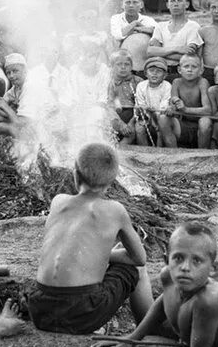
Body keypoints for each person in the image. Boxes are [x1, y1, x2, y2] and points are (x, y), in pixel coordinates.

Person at [27, 142, 152, 333]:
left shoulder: (58, 201)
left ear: (76, 174)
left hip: (40, 309)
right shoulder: (115, 210)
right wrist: (109, 254)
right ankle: (149, 328)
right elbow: (139, 258)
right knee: (137, 270)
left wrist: (103, 254)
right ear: (111, 182)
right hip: (82, 313)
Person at [93, 222, 218, 347]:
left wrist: (183, 345)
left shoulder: (209, 301)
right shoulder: (168, 275)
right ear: (167, 260)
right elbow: (165, 299)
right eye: (178, 258)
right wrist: (133, 338)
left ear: (213, 268)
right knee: (158, 316)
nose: (185, 267)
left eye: (197, 261)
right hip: (195, 305)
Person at [147, 0, 203, 81]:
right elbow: (150, 51)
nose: (176, 4)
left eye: (180, 1)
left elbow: (189, 56)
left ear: (187, 4)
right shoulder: (160, 26)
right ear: (167, 5)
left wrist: (161, 51)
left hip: (183, 75)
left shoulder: (193, 26)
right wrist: (178, 48)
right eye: (172, 1)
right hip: (161, 74)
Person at [159, 52, 211, 149]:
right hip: (182, 126)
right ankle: (174, 154)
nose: (189, 70)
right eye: (186, 66)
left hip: (199, 128)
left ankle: (202, 154)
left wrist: (185, 109)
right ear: (179, 69)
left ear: (201, 70)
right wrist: (171, 108)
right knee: (163, 118)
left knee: (205, 122)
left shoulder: (202, 82)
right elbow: (174, 103)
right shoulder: (176, 82)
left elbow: (207, 110)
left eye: (194, 67)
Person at [109, 0, 157, 77]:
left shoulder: (148, 20)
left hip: (142, 62)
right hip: (121, 61)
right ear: (122, 5)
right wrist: (134, 24)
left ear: (141, 4)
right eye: (127, 2)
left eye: (135, 2)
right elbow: (118, 35)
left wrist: (140, 29)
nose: (131, 5)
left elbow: (158, 33)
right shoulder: (116, 18)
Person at [133, 57, 172, 147]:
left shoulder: (167, 86)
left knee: (160, 127)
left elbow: (164, 107)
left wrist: (155, 121)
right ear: (146, 73)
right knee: (139, 129)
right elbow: (140, 106)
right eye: (151, 70)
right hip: (146, 116)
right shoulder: (141, 86)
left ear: (165, 75)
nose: (154, 74)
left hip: (161, 117)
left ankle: (159, 151)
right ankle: (144, 153)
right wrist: (148, 115)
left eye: (159, 71)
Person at [107, 49, 142, 146]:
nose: (123, 67)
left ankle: (122, 151)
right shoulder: (111, 83)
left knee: (131, 131)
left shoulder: (138, 82)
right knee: (111, 126)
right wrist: (121, 123)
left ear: (131, 66)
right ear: (113, 66)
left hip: (134, 115)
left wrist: (131, 122)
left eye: (126, 64)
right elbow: (110, 105)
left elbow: (140, 104)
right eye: (119, 64)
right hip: (117, 115)